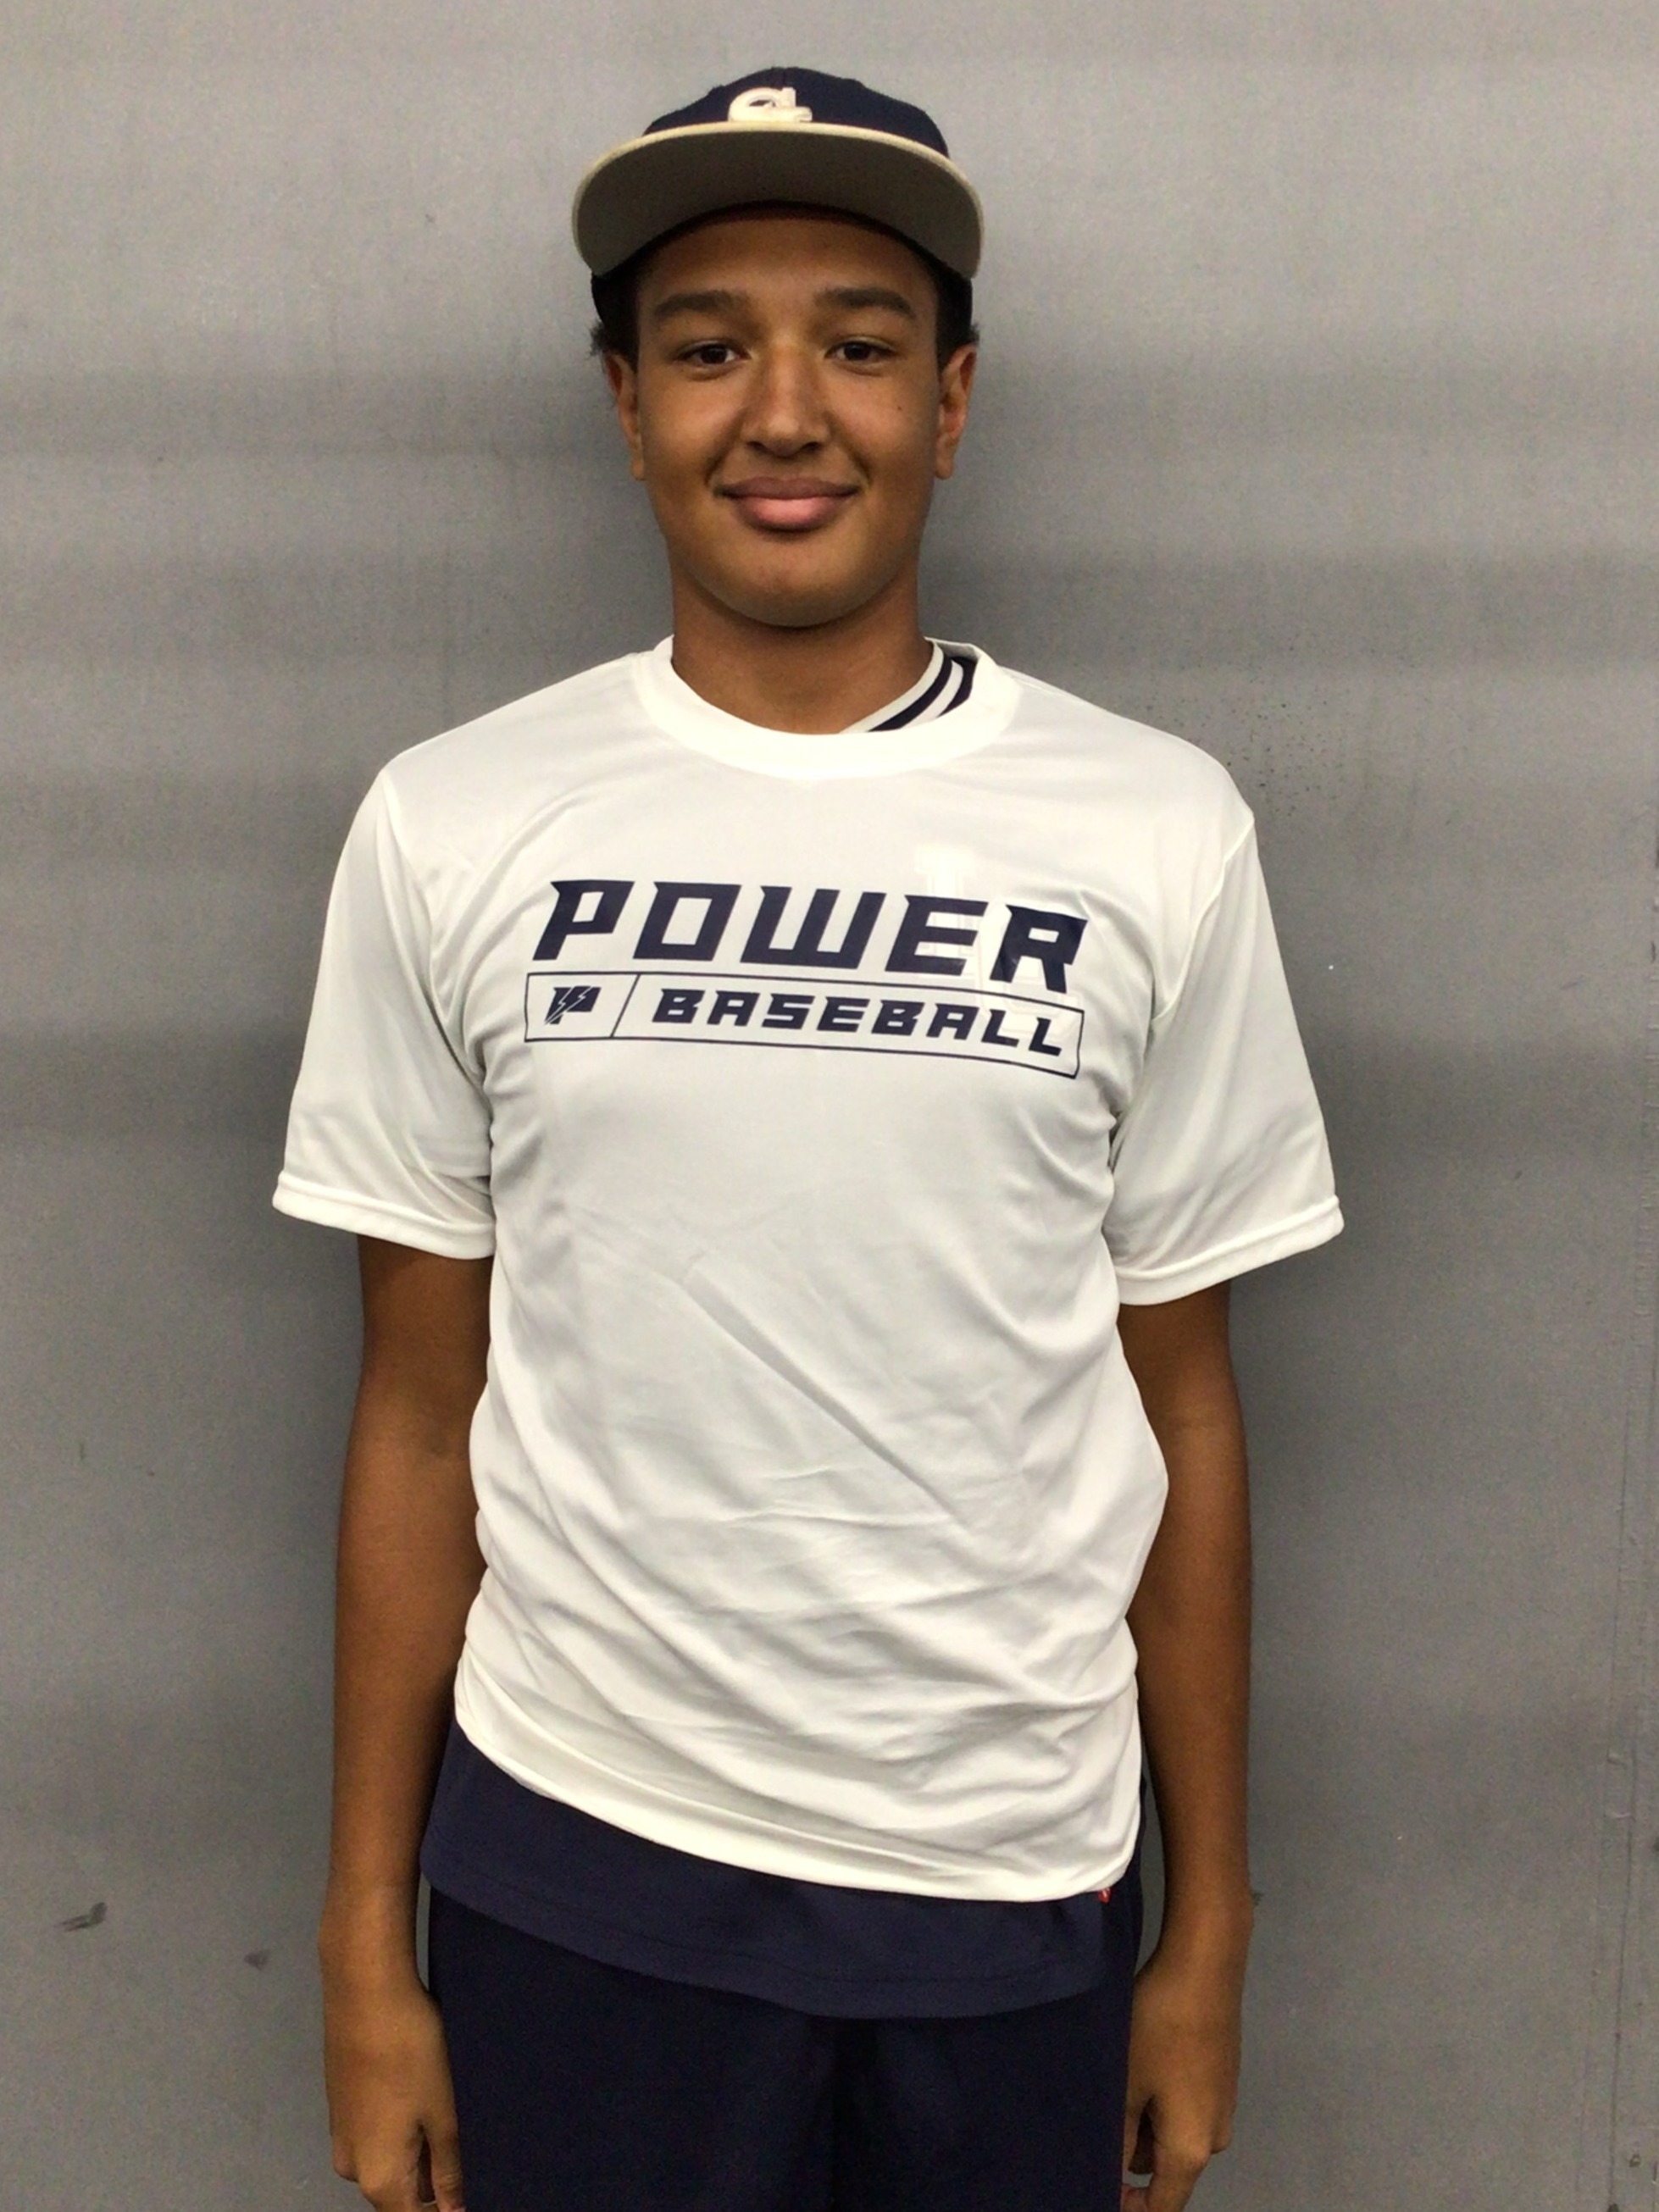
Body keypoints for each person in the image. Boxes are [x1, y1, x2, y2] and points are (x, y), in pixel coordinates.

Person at [275, 64, 1341, 2212]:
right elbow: (414, 1407)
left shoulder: (1152, 827)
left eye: (856, 345)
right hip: (582, 1862)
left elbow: (1181, 1402)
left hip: (1012, 1878)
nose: (782, 413)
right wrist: (362, 1946)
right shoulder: (453, 821)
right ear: (625, 403)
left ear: (950, 401)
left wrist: (1208, 1929)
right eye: (706, 349)